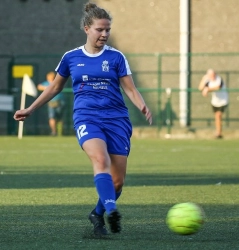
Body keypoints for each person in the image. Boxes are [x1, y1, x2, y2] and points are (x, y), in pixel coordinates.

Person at [14, 2, 152, 238]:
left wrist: (141, 104)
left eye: (108, 30)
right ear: (87, 28)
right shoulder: (71, 57)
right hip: (87, 117)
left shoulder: (117, 57)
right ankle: (111, 210)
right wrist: (31, 108)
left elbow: (129, 88)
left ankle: (97, 213)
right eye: (100, 29)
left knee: (117, 183)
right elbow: (54, 88)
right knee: (100, 159)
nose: (105, 34)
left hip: (117, 119)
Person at [198, 69, 229, 139]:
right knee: (217, 117)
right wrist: (203, 79)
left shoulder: (219, 79)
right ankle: (218, 132)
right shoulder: (208, 80)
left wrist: (207, 89)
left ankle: (218, 133)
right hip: (215, 101)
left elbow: (218, 87)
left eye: (213, 75)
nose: (212, 76)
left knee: (218, 115)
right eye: (210, 75)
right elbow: (200, 88)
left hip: (223, 100)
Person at [37, 71, 65, 136]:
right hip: (51, 103)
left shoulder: (58, 82)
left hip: (60, 102)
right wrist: (45, 88)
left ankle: (60, 132)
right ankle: (54, 131)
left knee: (60, 118)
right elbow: (39, 86)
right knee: (52, 117)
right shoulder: (46, 83)